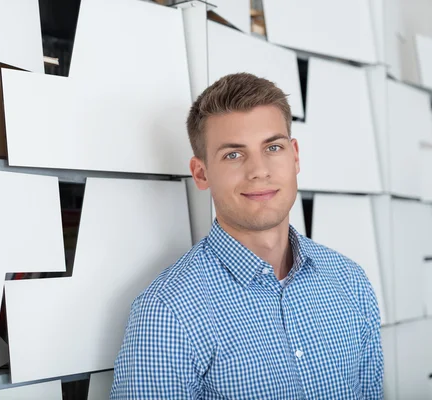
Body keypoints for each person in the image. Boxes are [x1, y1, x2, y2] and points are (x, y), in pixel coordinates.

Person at [110, 73, 383, 399]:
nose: (259, 171)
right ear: (201, 173)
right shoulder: (169, 313)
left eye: (273, 147)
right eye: (234, 155)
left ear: (295, 156)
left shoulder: (350, 282)